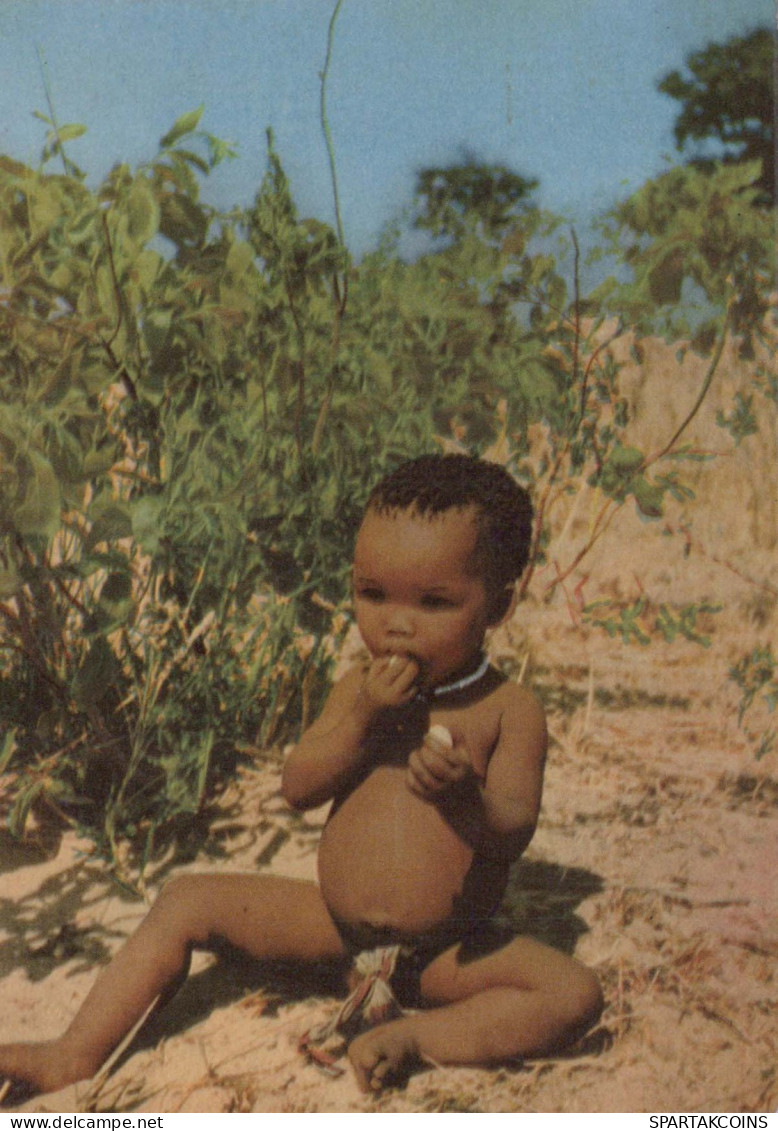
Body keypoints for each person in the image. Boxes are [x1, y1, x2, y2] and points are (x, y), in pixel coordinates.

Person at [0, 453, 602, 1097]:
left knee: (573, 992)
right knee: (185, 901)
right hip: (332, 931)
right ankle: (73, 1054)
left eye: (434, 602)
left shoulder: (509, 709)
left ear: (499, 605)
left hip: (444, 954)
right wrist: (363, 719)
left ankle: (416, 1039)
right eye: (373, 594)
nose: (396, 622)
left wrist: (464, 799)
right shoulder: (357, 691)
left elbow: (511, 830)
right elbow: (299, 787)